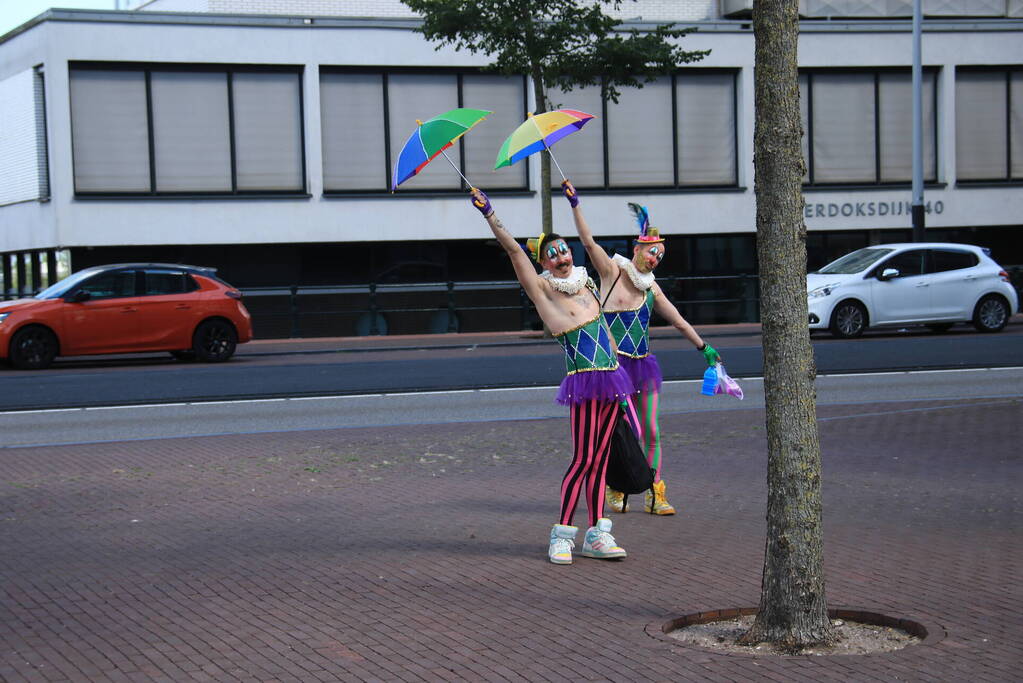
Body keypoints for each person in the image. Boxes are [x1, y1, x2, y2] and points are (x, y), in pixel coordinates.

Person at [469, 187, 640, 566]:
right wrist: (490, 214)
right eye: (551, 254)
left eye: (563, 250)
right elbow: (515, 252)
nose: (560, 256)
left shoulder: (588, 285)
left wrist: (576, 203)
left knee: (600, 459)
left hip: (613, 381)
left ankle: (598, 533)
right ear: (543, 263)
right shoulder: (544, 292)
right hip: (583, 382)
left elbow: (607, 336)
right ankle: (561, 535)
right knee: (582, 459)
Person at [560, 180, 720, 515]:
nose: (655, 259)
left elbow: (677, 319)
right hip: (611, 368)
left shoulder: (651, 289)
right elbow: (588, 244)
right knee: (616, 432)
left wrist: (703, 347)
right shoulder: (613, 272)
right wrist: (575, 205)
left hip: (643, 365)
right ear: (637, 248)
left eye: (660, 255)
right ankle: (616, 487)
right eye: (652, 252)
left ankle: (654, 492)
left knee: (651, 430)